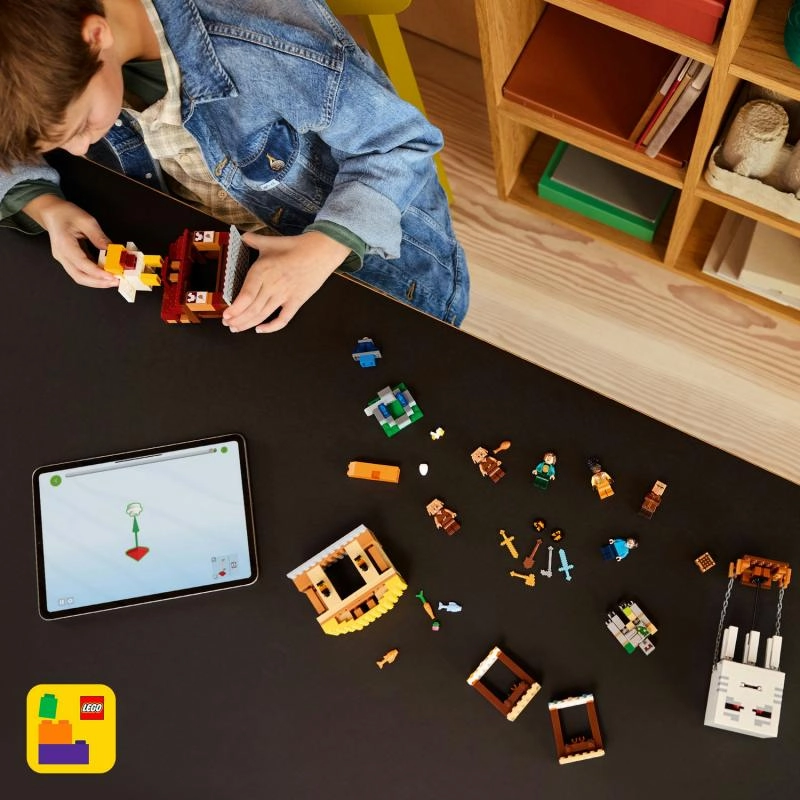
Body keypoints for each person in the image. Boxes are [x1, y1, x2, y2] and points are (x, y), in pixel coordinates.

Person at [0, 0, 469, 333]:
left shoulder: (257, 46)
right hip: (214, 250)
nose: (80, 149)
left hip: (369, 270)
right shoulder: (46, 58)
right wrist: (41, 202)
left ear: (95, 36)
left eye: (83, 125)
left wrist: (325, 247)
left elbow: (402, 143)